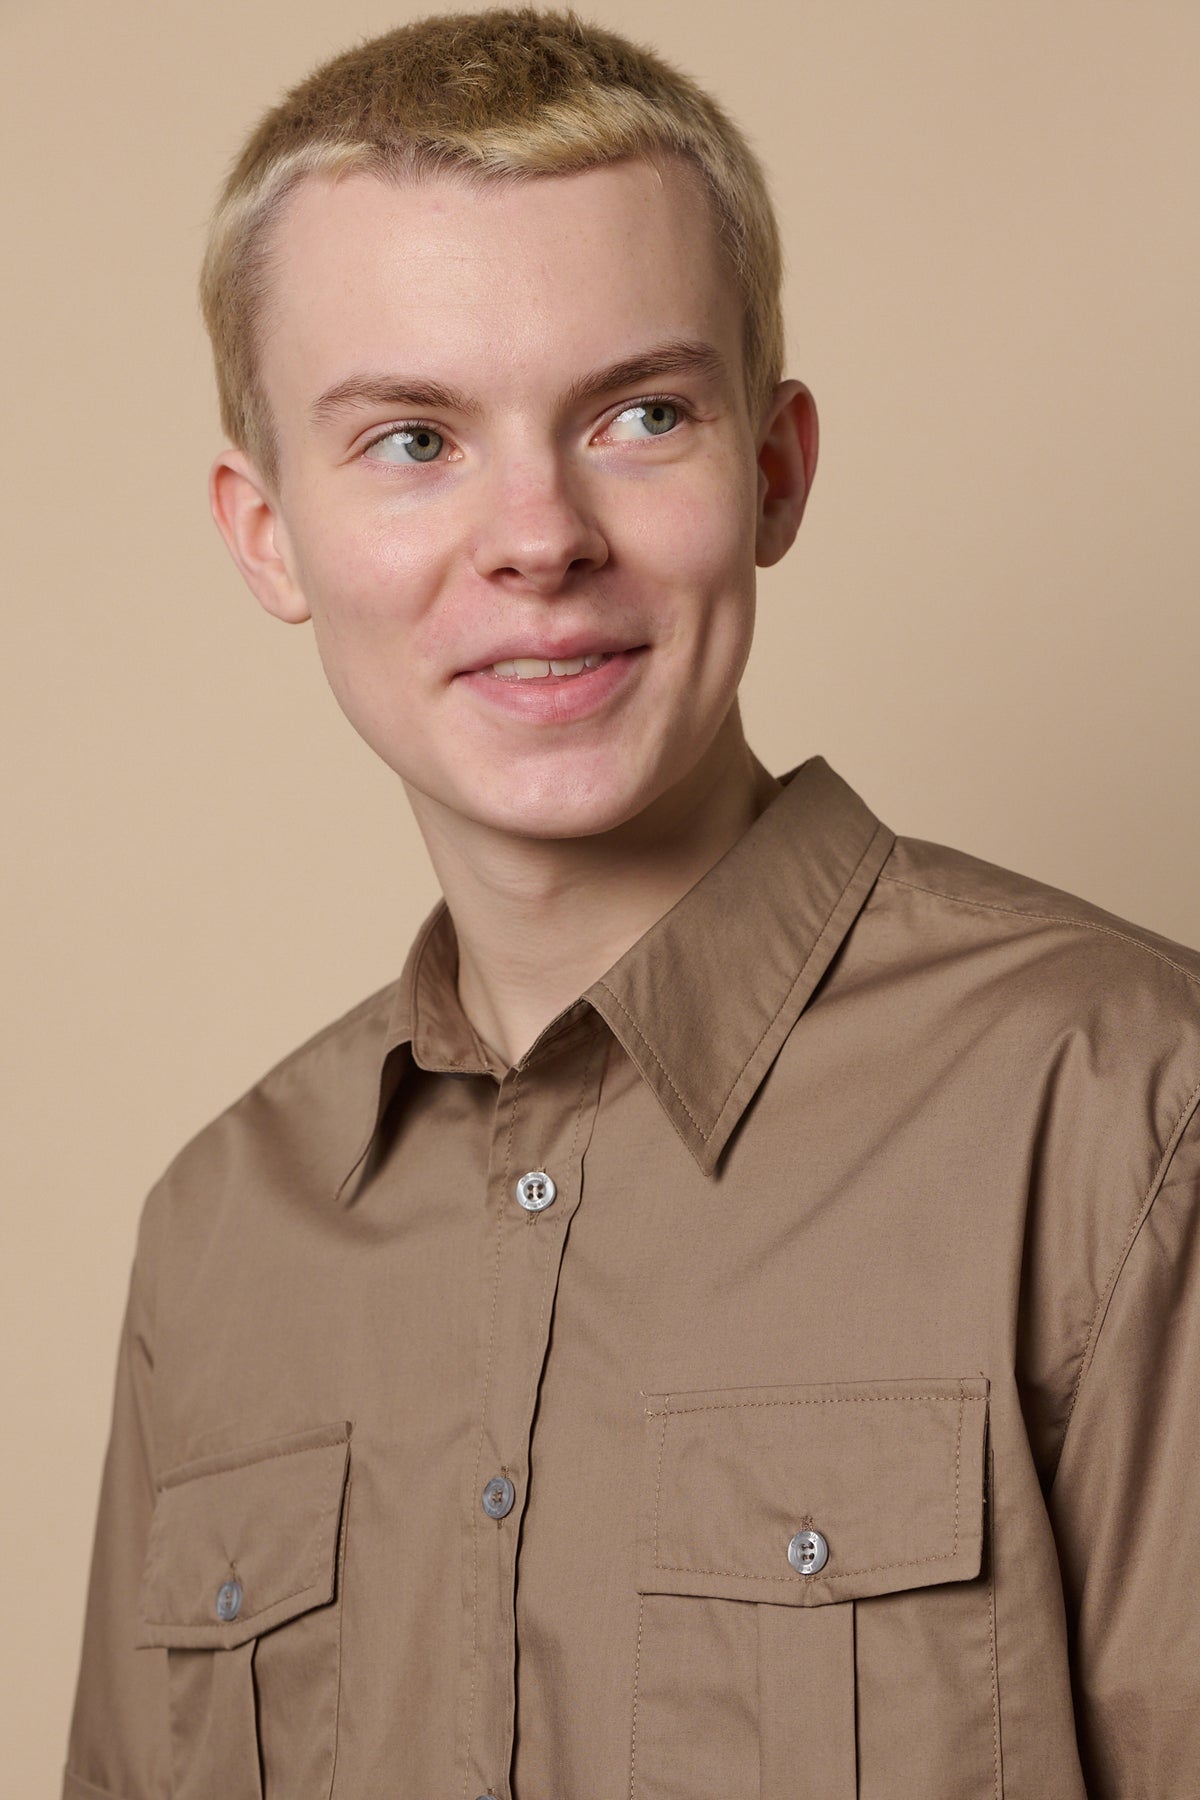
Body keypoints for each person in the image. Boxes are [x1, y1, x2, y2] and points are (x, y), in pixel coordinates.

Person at [62, 9, 1200, 1798]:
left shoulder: (1131, 1110)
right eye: (412, 438)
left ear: (774, 472)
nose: (538, 533)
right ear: (267, 532)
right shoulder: (216, 1246)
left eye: (639, 413)